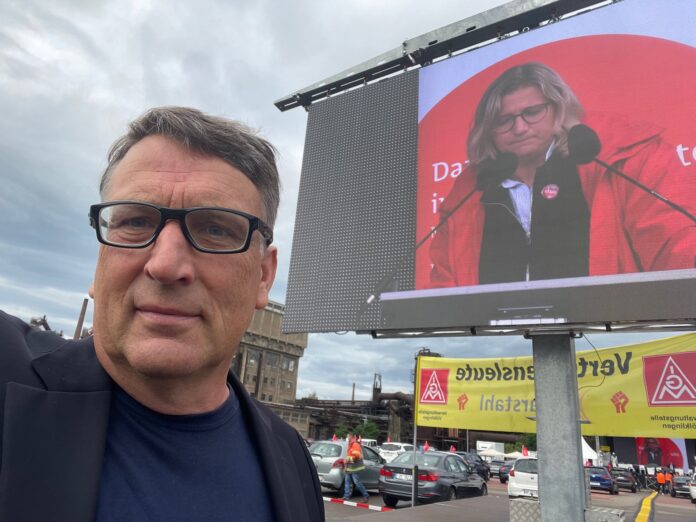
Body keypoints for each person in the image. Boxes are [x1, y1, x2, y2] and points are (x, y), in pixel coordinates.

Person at [0, 107, 324, 522]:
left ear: (263, 275)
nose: (166, 265)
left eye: (216, 229)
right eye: (135, 221)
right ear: (101, 257)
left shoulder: (292, 457)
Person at [430, 62, 696, 287]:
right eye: (503, 120)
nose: (519, 128)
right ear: (488, 129)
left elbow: (675, 246)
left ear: (559, 108)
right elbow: (443, 288)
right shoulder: (467, 195)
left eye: (532, 112)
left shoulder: (624, 158)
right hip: (502, 344)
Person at [344, 432, 370, 503]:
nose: (347, 438)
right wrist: (346, 465)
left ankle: (366, 495)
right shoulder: (350, 445)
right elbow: (350, 456)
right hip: (350, 467)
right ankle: (346, 496)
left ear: (351, 437)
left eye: (348, 437)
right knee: (347, 482)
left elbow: (356, 456)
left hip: (355, 468)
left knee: (357, 482)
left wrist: (347, 460)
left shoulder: (355, 445)